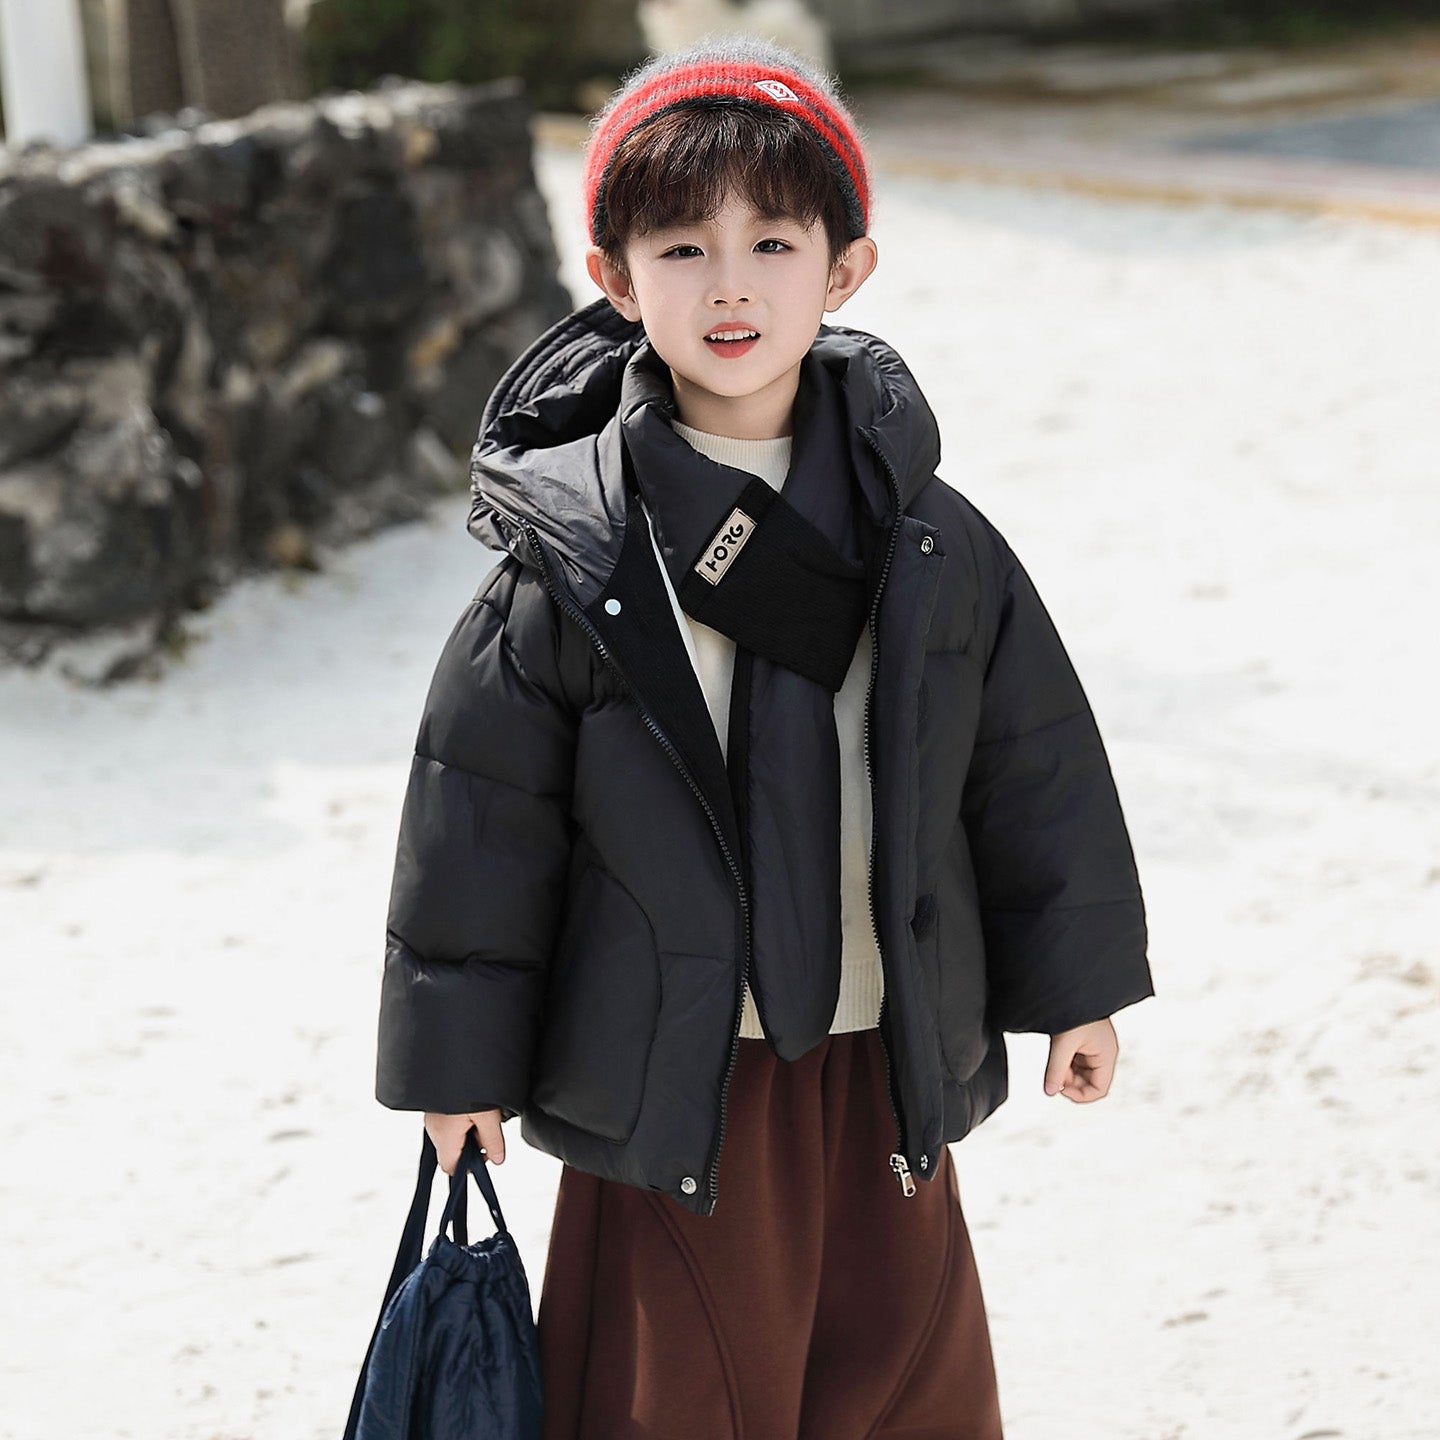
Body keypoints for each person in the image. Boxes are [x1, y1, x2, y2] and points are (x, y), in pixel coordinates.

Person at [373, 35, 1156, 1439]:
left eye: (773, 243)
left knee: (905, 1394)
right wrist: (458, 1069)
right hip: (676, 1081)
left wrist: (1077, 988)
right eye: (681, 248)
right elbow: (480, 825)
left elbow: (1028, 771)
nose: (729, 285)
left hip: (884, 1057)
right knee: (678, 1402)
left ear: (846, 270)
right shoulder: (578, 562)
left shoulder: (932, 541)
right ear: (615, 279)